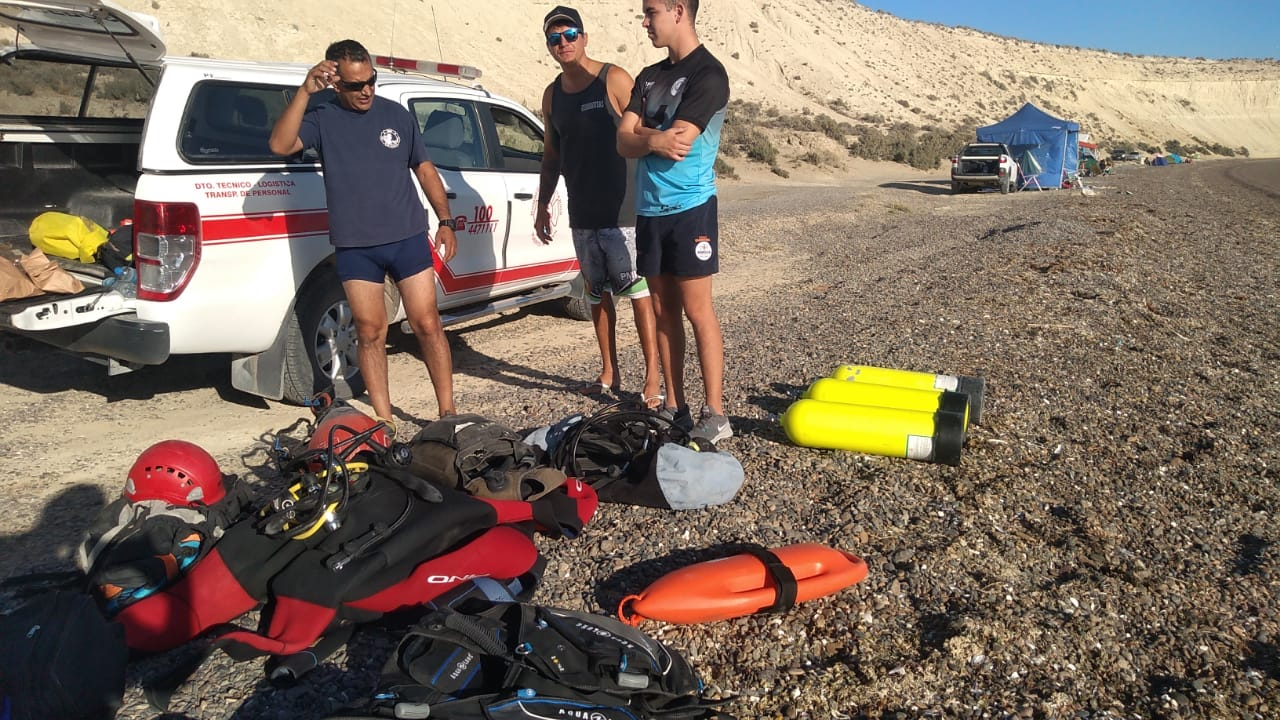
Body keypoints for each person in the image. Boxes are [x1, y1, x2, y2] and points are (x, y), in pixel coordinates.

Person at [269, 39, 458, 423]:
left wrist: (446, 220)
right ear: (336, 84)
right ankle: (384, 420)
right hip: (356, 245)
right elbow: (280, 144)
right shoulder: (322, 117)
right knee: (370, 332)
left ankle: (448, 412)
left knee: (427, 323)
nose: (366, 90)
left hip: (406, 237)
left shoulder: (397, 115)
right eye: (356, 85)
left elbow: (424, 168)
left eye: (370, 80)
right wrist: (306, 91)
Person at [536, 6, 663, 409]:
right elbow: (551, 155)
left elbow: (645, 133)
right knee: (595, 293)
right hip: (582, 210)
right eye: (555, 38)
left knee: (638, 292)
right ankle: (608, 373)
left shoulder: (614, 79)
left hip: (623, 208)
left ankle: (653, 377)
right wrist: (542, 205)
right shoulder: (552, 94)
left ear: (584, 37)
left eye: (570, 34)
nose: (563, 44)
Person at [616, 0, 732, 443]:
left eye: (651, 13)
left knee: (697, 310)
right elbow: (621, 142)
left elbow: (679, 143)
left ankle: (715, 413)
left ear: (679, 10)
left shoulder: (709, 74)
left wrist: (645, 135)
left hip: (691, 207)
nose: (644, 22)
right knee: (663, 311)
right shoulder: (648, 76)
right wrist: (651, 137)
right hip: (649, 209)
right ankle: (674, 405)